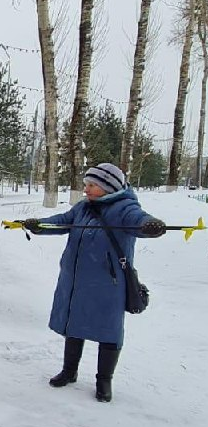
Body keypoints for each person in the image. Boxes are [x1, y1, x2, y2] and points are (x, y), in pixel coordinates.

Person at [22, 163, 165, 403]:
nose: (85, 189)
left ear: (108, 187)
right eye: (86, 184)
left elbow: (140, 221)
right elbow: (62, 221)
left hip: (108, 283)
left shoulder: (125, 208)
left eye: (91, 185)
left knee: (109, 331)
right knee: (74, 324)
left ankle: (104, 380)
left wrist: (151, 226)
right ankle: (69, 371)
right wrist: (40, 225)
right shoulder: (83, 208)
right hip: (76, 281)